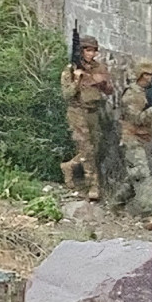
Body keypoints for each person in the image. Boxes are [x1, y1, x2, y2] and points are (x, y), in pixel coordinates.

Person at [60, 35, 114, 199]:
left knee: (95, 147)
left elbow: (109, 90)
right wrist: (77, 79)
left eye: (93, 50)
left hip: (93, 111)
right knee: (87, 150)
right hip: (77, 111)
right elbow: (67, 94)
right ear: (81, 51)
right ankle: (93, 186)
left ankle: (69, 166)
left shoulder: (99, 67)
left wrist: (101, 83)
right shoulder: (70, 69)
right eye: (87, 50)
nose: (91, 54)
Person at [116, 61, 152, 213]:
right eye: (151, 75)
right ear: (142, 75)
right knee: (143, 175)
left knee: (134, 175)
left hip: (143, 140)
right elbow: (136, 119)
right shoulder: (131, 94)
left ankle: (116, 203)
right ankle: (147, 213)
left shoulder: (146, 93)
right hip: (131, 140)